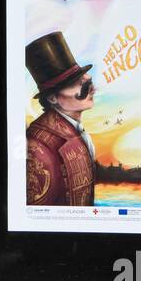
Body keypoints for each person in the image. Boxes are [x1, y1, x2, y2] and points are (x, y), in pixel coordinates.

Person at [25, 31, 98, 206]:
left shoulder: (75, 130)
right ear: (52, 98)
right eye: (77, 83)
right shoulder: (39, 147)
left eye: (85, 80)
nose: (92, 89)